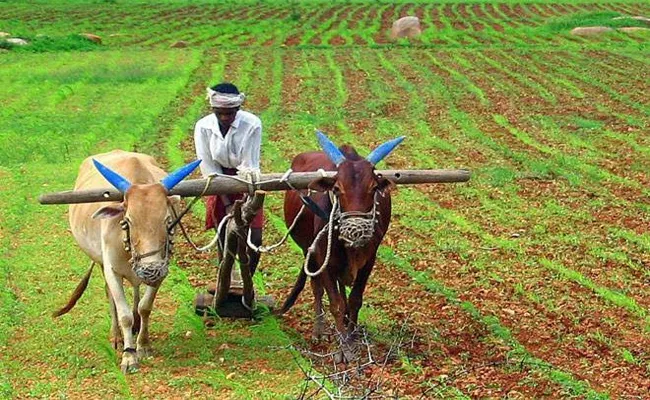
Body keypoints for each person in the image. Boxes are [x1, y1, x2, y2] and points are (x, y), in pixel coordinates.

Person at [194, 82, 263, 276]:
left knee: (255, 238)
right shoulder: (203, 127)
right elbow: (208, 166)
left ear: (238, 109)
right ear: (213, 109)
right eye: (220, 113)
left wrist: (247, 203)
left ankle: (247, 279)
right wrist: (226, 203)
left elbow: (249, 164)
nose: (225, 117)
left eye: (230, 113)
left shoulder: (252, 124)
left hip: (246, 180)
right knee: (224, 234)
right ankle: (226, 279)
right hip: (218, 181)